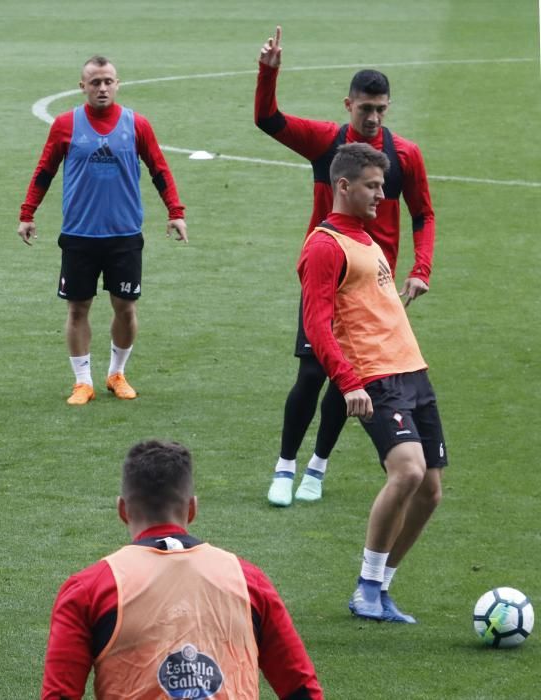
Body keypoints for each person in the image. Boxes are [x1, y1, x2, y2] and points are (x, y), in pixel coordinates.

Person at [255, 26, 436, 506]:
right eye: (365, 109)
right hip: (326, 273)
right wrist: (268, 72)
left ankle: (317, 466)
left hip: (374, 290)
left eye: (381, 109)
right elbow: (268, 120)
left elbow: (424, 213)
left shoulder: (405, 156)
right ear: (348, 104)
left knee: (346, 381)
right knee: (313, 374)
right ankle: (285, 465)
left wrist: (421, 268)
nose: (373, 117)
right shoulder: (326, 144)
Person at [42, 440, 323, 699]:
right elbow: (301, 689)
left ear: (123, 510)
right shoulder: (248, 581)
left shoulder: (89, 589)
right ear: (192, 508)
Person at [299, 143, 446, 623]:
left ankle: (382, 587)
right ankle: (366, 585)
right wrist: (348, 383)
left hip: (413, 371)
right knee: (407, 472)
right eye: (372, 186)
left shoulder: (368, 240)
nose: (381, 196)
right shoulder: (324, 245)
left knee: (430, 490)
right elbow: (317, 324)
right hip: (376, 377)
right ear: (343, 186)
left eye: (383, 186)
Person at [18, 55, 188, 406]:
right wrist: (27, 213)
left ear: (118, 83)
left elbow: (159, 169)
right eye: (95, 82)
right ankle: (83, 382)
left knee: (125, 308)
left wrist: (176, 211)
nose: (102, 88)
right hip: (79, 235)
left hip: (124, 235)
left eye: (108, 81)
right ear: (82, 86)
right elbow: (44, 170)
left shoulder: (136, 124)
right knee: (77, 309)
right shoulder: (65, 125)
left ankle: (116, 373)